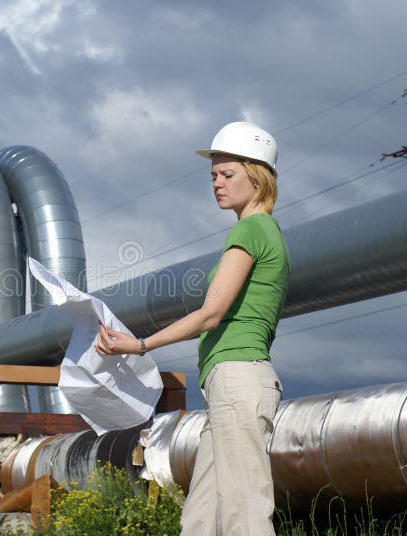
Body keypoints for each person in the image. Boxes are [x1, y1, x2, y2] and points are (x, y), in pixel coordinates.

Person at [95, 121, 290, 535]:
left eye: (228, 174)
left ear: (257, 177)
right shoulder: (260, 231)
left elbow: (210, 314)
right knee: (200, 519)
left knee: (244, 515)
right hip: (227, 385)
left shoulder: (252, 230)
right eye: (213, 176)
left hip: (239, 379)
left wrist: (140, 344)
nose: (217, 183)